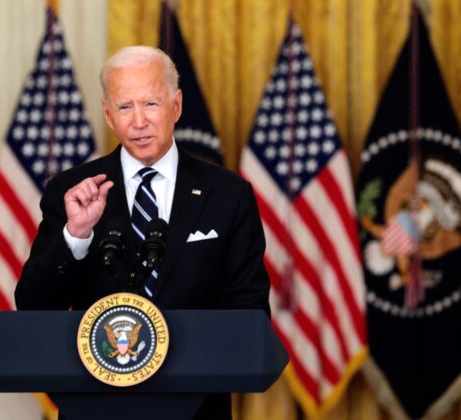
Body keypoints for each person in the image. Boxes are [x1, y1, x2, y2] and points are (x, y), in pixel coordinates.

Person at [15, 46, 270, 419]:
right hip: (95, 404)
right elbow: (33, 304)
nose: (138, 121)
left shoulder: (228, 194)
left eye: (150, 104)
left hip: (196, 405)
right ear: (107, 114)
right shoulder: (71, 192)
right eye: (124, 107)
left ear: (176, 106)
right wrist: (76, 234)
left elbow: (249, 309)